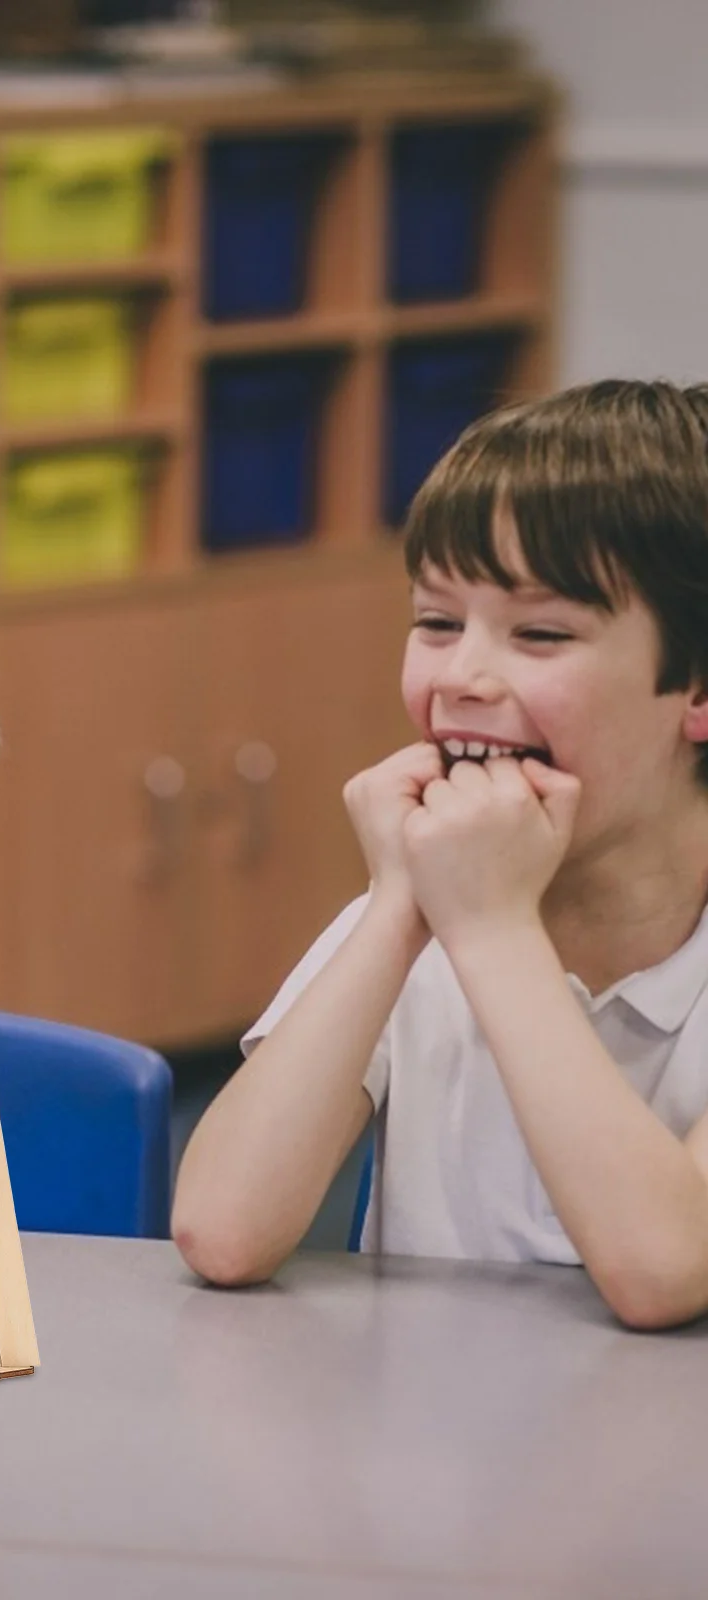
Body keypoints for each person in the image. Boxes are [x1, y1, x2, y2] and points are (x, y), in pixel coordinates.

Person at [172, 379, 708, 1330]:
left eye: (541, 633)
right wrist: (396, 909)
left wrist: (495, 931)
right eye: (436, 621)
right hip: (433, 1461)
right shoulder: (432, 904)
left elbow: (663, 1272)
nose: (461, 678)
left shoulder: (482, 908)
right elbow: (223, 1230)